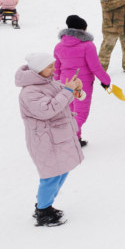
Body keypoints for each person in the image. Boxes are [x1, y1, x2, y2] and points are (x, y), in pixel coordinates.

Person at [18, 51, 85, 226]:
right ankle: (43, 210)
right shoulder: (29, 92)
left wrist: (74, 90)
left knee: (62, 171)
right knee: (51, 176)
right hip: (45, 141)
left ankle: (45, 205)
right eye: (50, 66)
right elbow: (47, 110)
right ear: (38, 70)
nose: (54, 69)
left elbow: (61, 99)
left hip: (57, 137)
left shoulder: (49, 83)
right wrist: (68, 90)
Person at [53, 15, 111, 145]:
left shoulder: (59, 46)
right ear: (83, 29)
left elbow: (56, 69)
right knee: (81, 113)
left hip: (65, 83)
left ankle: (76, 139)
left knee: (69, 111)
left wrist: (56, 84)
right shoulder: (87, 45)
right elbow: (95, 66)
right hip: (81, 83)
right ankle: (66, 137)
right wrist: (106, 80)